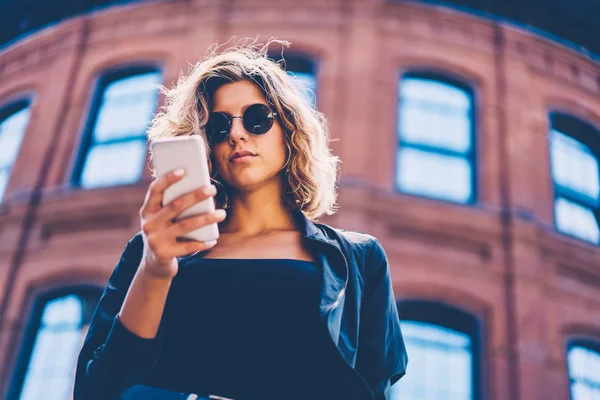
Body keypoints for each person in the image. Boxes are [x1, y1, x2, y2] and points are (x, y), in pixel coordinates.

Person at [74, 40, 407, 400]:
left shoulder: (358, 258)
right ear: (205, 146)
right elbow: (98, 390)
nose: (236, 134)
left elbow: (374, 389)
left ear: (289, 130)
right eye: (217, 126)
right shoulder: (153, 251)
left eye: (256, 119)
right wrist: (155, 270)